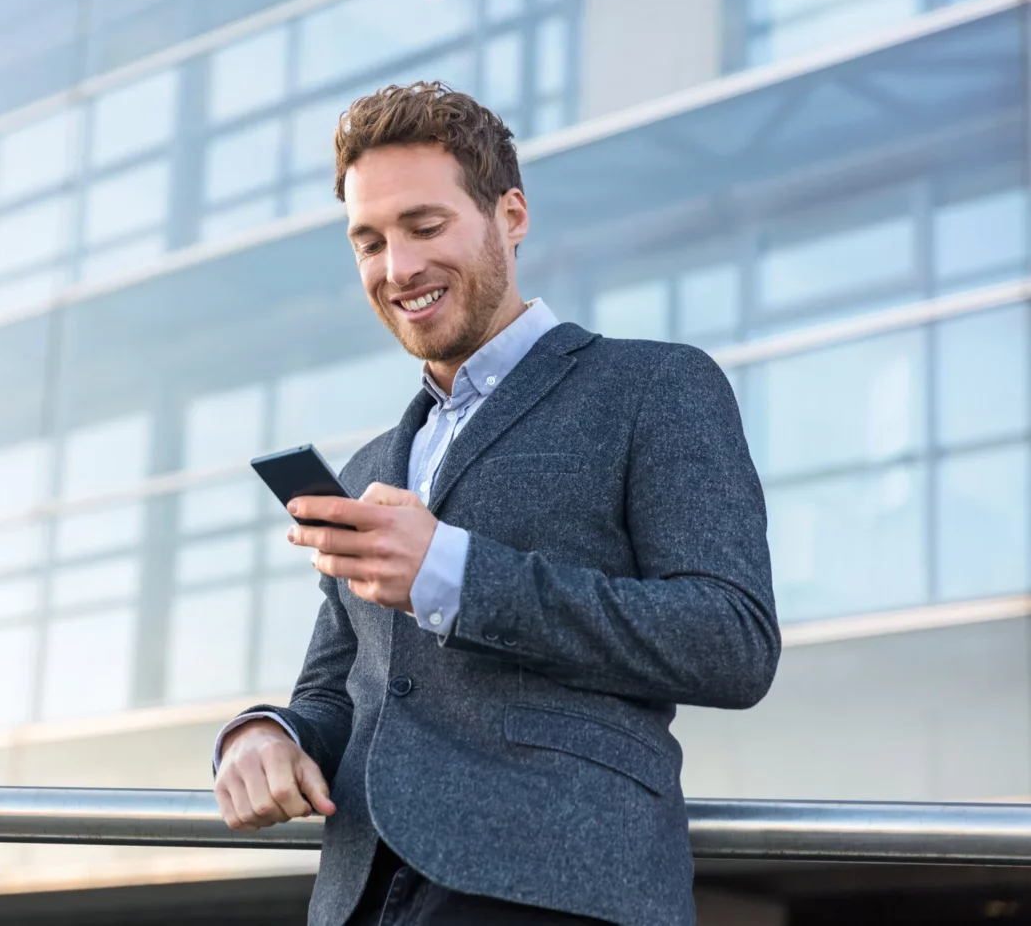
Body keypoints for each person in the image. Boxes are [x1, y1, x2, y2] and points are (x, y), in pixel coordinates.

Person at [210, 81, 780, 926]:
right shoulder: (374, 464)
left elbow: (731, 639)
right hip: (363, 894)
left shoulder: (656, 386)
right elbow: (341, 690)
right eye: (368, 241)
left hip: (559, 886)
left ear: (510, 214)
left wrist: (453, 571)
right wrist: (267, 734)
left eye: (425, 226)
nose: (397, 269)